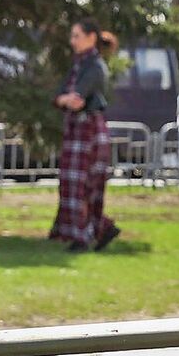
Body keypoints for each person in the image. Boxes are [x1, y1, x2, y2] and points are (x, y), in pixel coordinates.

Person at [49, 19, 121, 253]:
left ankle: (85, 235)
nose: (72, 41)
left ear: (91, 37)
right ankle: (98, 229)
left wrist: (68, 100)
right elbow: (60, 96)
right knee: (71, 184)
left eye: (77, 36)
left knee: (85, 185)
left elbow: (77, 100)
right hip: (75, 129)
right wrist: (65, 100)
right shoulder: (78, 65)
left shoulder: (95, 66)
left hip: (89, 130)